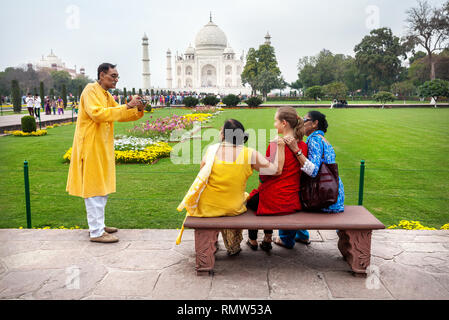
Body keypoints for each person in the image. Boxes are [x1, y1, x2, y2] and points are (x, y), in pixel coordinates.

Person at [178, 119, 285, 256]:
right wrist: (279, 147)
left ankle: (214, 242)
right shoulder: (249, 153)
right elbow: (275, 171)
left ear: (223, 135)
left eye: (221, 130)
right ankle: (231, 243)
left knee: (231, 197)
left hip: (207, 207)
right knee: (245, 196)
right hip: (233, 207)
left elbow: (202, 175)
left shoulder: (211, 150)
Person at [66, 63, 145, 243]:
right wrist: (127, 106)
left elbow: (121, 114)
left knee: (102, 187)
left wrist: (138, 108)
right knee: (94, 189)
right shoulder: (90, 90)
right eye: (113, 76)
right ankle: (96, 232)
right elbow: (98, 114)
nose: (116, 79)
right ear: (102, 75)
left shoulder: (105, 95)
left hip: (101, 146)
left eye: (117, 76)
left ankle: (98, 225)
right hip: (91, 146)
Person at [277, 110, 345, 249]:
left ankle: (286, 239)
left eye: (305, 119)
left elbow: (313, 171)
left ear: (315, 124)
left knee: (290, 202)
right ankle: (302, 235)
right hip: (334, 194)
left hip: (323, 198)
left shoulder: (314, 140)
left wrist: (296, 150)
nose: (302, 121)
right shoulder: (322, 139)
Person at [246, 107, 308, 251]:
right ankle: (267, 238)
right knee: (261, 198)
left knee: (250, 201)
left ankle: (253, 239)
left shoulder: (276, 144)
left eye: (276, 121)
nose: (274, 124)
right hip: (292, 201)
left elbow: (265, 175)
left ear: (284, 123)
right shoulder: (302, 146)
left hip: (274, 200)